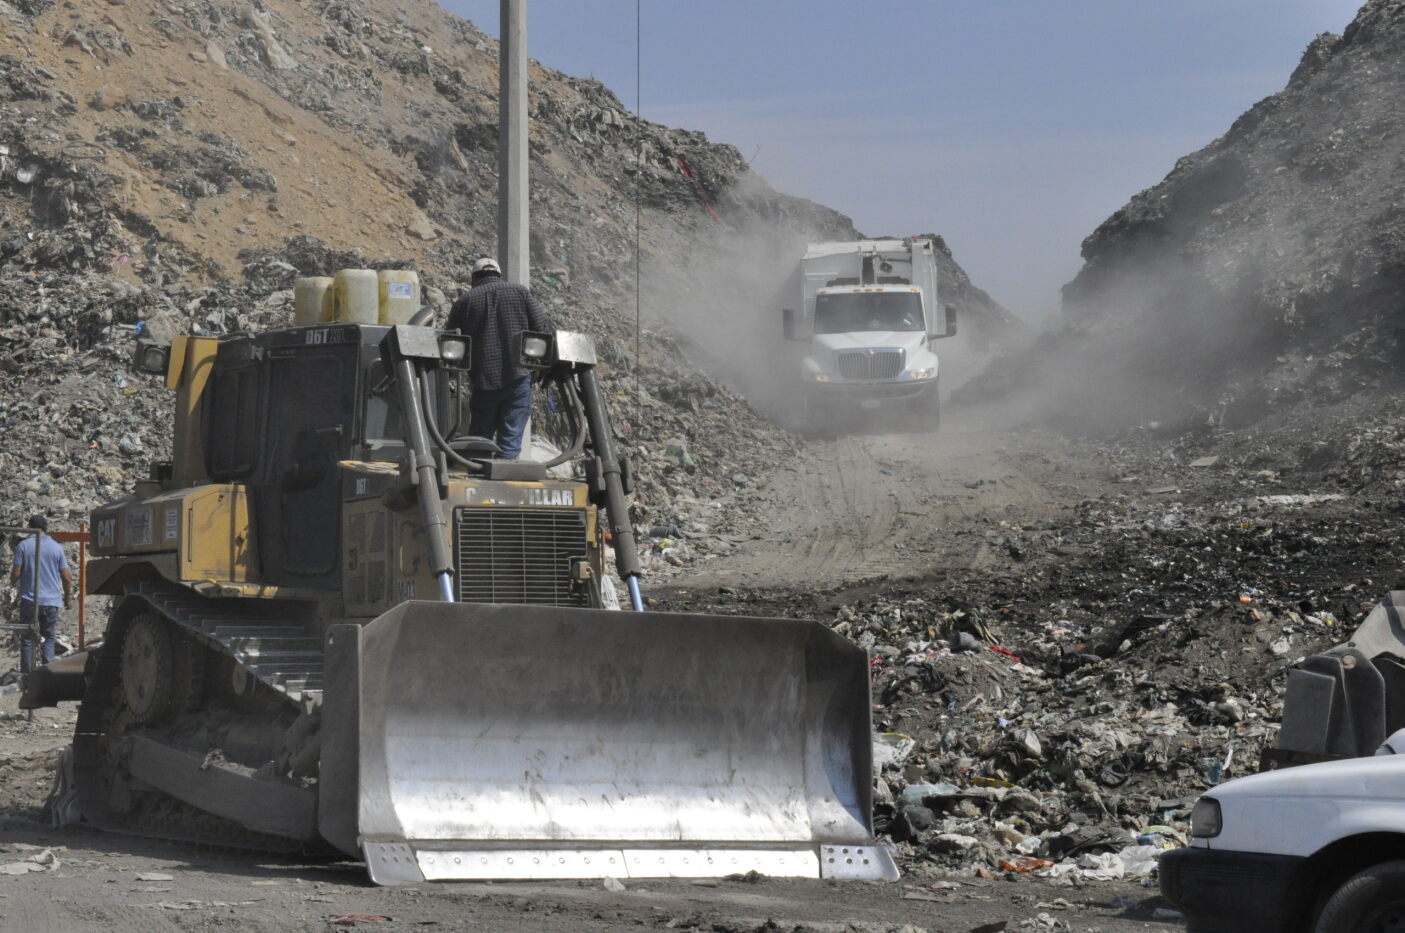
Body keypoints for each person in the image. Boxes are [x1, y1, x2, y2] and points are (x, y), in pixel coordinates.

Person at [446, 257, 554, 460]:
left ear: (474, 277)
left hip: (484, 381)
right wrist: (543, 370)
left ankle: (478, 478)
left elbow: (451, 342)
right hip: (519, 377)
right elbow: (543, 329)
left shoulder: (465, 301)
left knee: (480, 439)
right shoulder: (520, 292)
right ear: (498, 274)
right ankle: (507, 475)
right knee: (511, 439)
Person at [10, 514, 71, 672]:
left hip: (30, 600)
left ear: (30, 528)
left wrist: (13, 581)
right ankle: (47, 675)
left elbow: (16, 574)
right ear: (46, 528)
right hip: (51, 601)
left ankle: (27, 677)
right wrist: (68, 598)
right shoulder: (57, 547)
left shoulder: (23, 546)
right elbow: (67, 577)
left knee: (28, 638)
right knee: (48, 638)